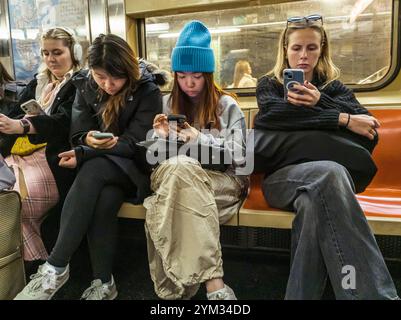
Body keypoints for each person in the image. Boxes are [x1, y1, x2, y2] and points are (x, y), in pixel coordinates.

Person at [254, 14, 399, 299]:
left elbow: (369, 131)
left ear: (322, 49)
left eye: (311, 48)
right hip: (281, 180)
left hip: (325, 183)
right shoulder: (270, 85)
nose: (303, 56)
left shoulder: (334, 90)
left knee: (313, 205)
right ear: (285, 50)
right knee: (332, 172)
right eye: (296, 48)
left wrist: (322, 102)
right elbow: (270, 117)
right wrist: (340, 119)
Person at [14, 33, 163, 300]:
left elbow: (138, 144)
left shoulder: (148, 90)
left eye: (114, 78)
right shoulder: (85, 83)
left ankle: (56, 267)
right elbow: (79, 131)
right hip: (100, 168)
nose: (107, 85)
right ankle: (104, 283)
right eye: (100, 77)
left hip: (136, 167)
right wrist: (86, 142)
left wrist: (89, 150)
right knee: (104, 199)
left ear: (128, 71)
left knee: (93, 171)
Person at [144, 20, 249, 300]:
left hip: (222, 183)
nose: (189, 83)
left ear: (209, 75)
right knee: (181, 170)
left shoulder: (227, 106)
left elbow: (242, 157)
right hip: (178, 178)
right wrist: (162, 138)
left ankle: (174, 292)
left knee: (167, 197)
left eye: (197, 76)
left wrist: (198, 139)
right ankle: (215, 285)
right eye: (182, 76)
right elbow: (153, 160)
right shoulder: (167, 106)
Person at [0, 27, 81, 265]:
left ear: (73, 52)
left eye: (57, 52)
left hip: (52, 158)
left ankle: (36, 266)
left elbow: (65, 123)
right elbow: (14, 114)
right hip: (18, 156)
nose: (50, 59)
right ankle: (19, 267)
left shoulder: (81, 83)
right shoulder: (39, 81)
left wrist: (22, 126)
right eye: (45, 53)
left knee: (16, 203)